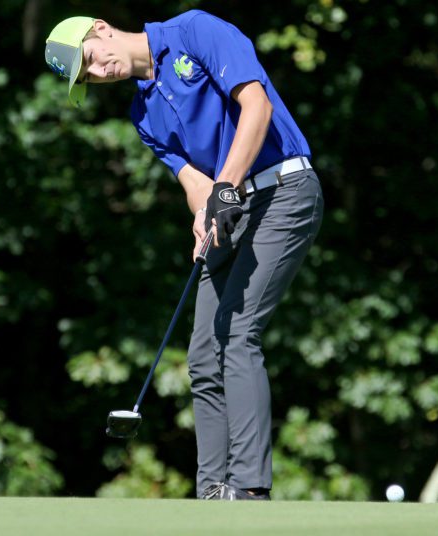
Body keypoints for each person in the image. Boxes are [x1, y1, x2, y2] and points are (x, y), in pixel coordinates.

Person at [45, 10, 323, 500]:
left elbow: (255, 109)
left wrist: (224, 191)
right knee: (201, 354)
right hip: (231, 204)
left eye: (90, 59)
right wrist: (204, 213)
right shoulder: (142, 114)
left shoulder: (194, 31)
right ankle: (213, 491)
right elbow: (194, 183)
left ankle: (249, 489)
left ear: (101, 29)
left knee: (238, 334)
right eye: (87, 76)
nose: (99, 71)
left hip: (285, 189)